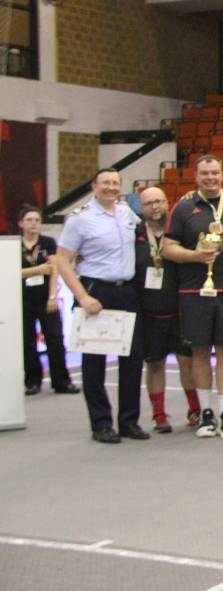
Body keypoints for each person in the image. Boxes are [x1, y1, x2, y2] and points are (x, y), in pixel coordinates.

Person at [162, 155, 223, 439]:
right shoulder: (182, 207)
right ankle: (206, 413)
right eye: (204, 174)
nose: (210, 178)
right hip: (194, 290)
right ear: (196, 176)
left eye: (215, 173)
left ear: (222, 174)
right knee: (200, 352)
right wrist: (195, 256)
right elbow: (168, 248)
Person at [53, 168, 146, 443]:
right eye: (105, 183)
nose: (110, 187)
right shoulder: (79, 219)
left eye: (115, 183)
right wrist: (82, 297)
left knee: (133, 359)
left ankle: (129, 422)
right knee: (94, 362)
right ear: (94, 186)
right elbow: (61, 260)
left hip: (127, 291)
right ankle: (101, 424)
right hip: (96, 291)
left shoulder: (127, 213)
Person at [135, 187, 197, 433]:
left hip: (180, 310)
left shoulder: (179, 229)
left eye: (159, 201)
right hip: (149, 312)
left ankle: (195, 410)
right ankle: (158, 414)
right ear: (142, 207)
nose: (154, 206)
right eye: (149, 203)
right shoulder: (134, 233)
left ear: (167, 203)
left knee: (187, 362)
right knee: (155, 364)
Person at [19, 205, 78, 396]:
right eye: (29, 220)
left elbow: (54, 269)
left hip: (46, 297)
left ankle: (61, 381)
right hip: (23, 299)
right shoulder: (14, 245)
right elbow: (11, 272)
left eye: (37, 220)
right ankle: (32, 381)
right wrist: (37, 270)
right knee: (27, 342)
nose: (34, 223)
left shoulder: (48, 242)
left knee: (55, 339)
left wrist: (53, 296)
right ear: (21, 223)